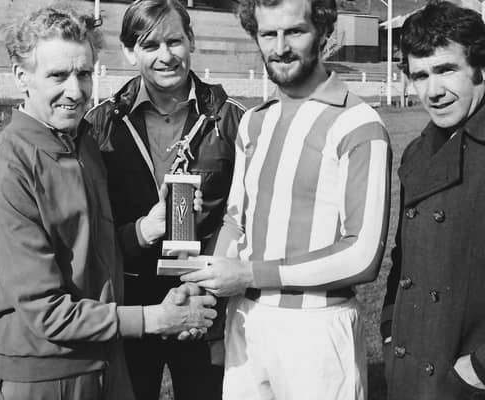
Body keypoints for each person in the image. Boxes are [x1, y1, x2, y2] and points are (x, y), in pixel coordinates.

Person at [0, 6, 217, 400]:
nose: (75, 90)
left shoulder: (82, 142)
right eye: (57, 75)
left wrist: (145, 229)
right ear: (20, 78)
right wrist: (156, 318)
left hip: (103, 363)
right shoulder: (5, 171)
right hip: (43, 377)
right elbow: (47, 311)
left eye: (83, 73)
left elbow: (89, 254)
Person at [181, 0, 392, 398]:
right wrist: (204, 285)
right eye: (267, 34)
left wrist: (249, 274)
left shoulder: (359, 124)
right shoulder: (254, 121)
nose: (280, 47)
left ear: (324, 31)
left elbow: (362, 256)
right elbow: (235, 222)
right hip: (245, 321)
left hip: (316, 326)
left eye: (295, 31)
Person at [85, 0, 245, 398]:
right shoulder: (98, 125)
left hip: (208, 302)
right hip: (131, 303)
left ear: (191, 41)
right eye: (150, 44)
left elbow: (248, 216)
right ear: (128, 51)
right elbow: (89, 227)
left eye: (174, 41)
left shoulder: (234, 120)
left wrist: (207, 289)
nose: (165, 55)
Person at [380, 2, 485, 399]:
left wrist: (477, 370)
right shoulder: (416, 152)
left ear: (479, 68)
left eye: (445, 70)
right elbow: (403, 257)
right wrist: (391, 330)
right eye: (420, 75)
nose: (432, 91)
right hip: (413, 365)